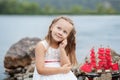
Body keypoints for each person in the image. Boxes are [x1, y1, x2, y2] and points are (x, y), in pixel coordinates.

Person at [33, 16, 78, 80]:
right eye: (58, 28)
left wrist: (62, 49)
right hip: (46, 75)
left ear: (67, 36)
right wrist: (61, 70)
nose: (60, 33)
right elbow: (40, 70)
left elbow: (66, 66)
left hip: (61, 75)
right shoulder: (42, 46)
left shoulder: (62, 46)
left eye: (65, 32)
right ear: (52, 27)